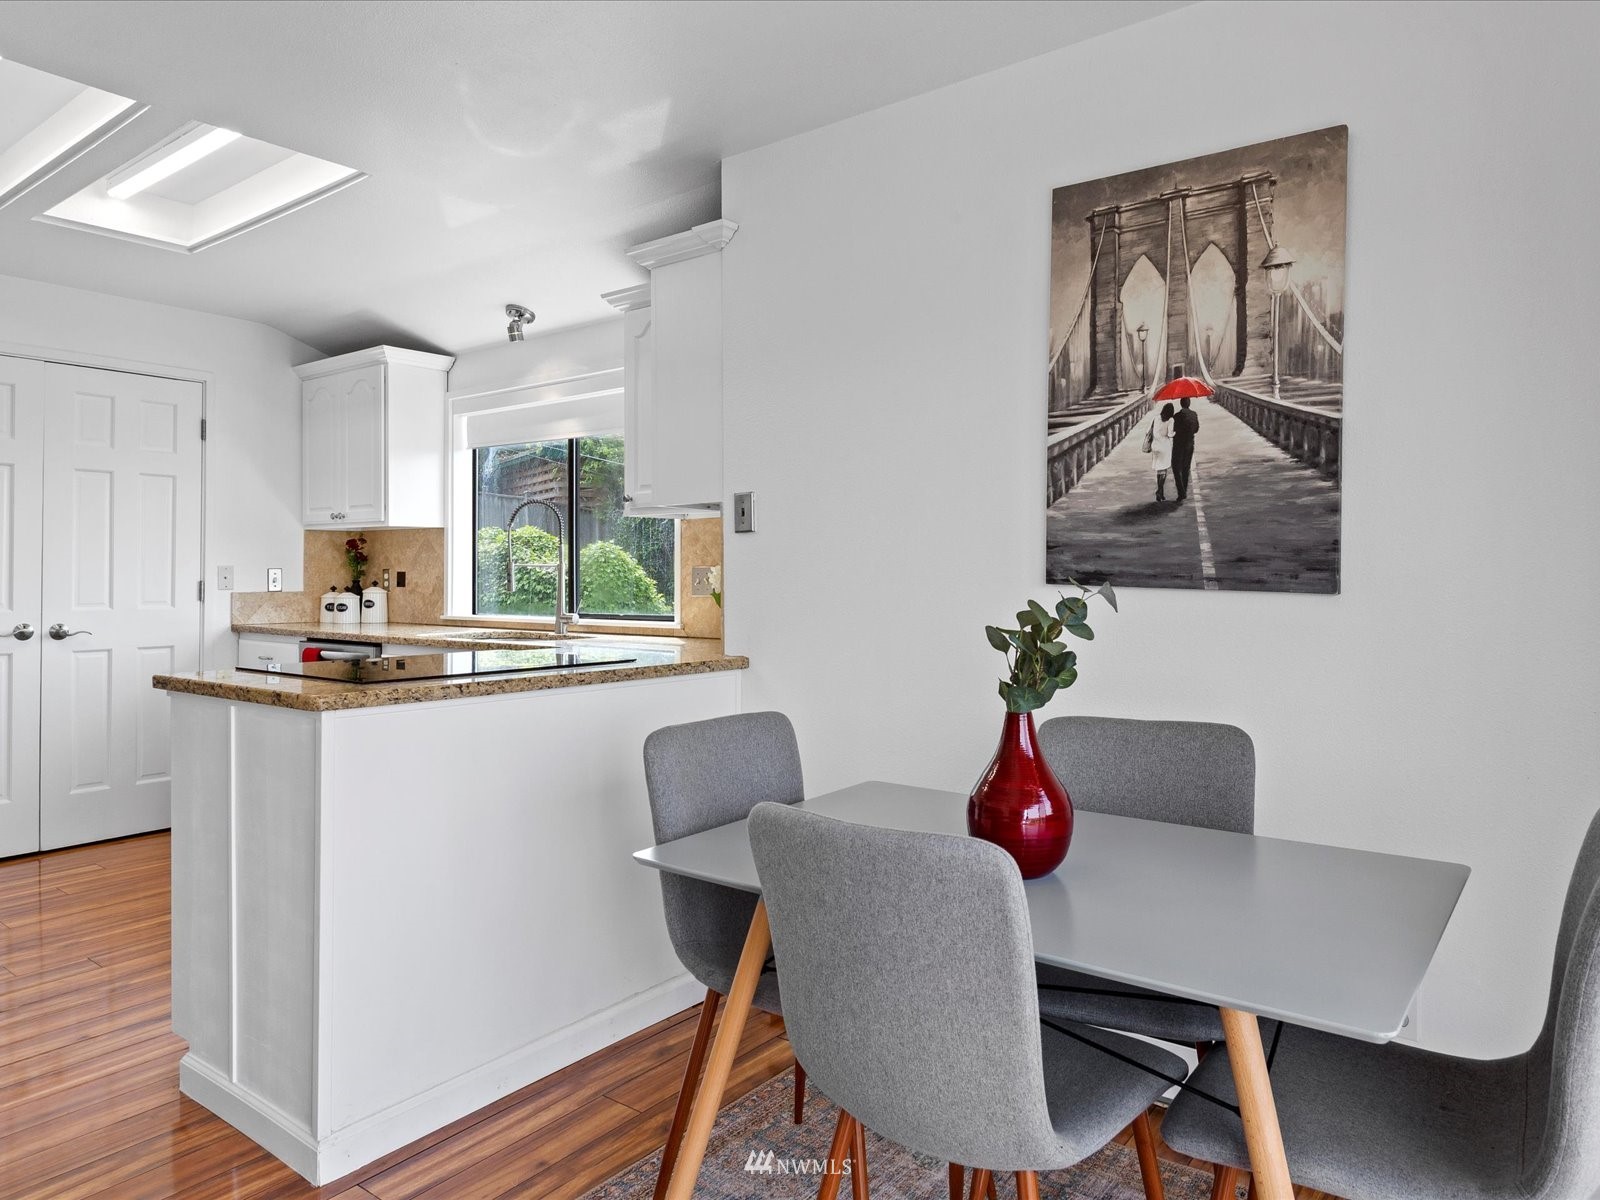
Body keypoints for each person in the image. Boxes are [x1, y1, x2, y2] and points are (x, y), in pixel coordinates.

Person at [1171, 395, 1200, 500]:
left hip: (1178, 445)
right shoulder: (1194, 414)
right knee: (1185, 468)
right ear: (1189, 404)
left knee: (1175, 468)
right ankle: (1184, 490)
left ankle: (1181, 492)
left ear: (1181, 404)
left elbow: (1173, 429)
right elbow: (1196, 429)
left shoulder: (1176, 416)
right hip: (1189, 444)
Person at [1149, 402, 1175, 501]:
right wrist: (1175, 433)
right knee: (1164, 470)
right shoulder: (1171, 420)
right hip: (1165, 446)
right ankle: (1159, 491)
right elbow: (1170, 434)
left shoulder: (1156, 418)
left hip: (1155, 446)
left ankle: (1161, 492)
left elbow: (1152, 432)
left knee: (1159, 469)